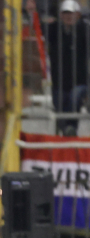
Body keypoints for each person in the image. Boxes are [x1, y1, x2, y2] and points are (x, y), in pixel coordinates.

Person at [47, 0, 89, 136]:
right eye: (65, 13)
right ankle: (69, 131)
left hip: (79, 82)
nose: (68, 16)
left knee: (74, 99)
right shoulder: (55, 30)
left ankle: (68, 130)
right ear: (60, 15)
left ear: (77, 15)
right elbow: (39, 26)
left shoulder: (84, 31)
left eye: (71, 13)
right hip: (59, 83)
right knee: (59, 107)